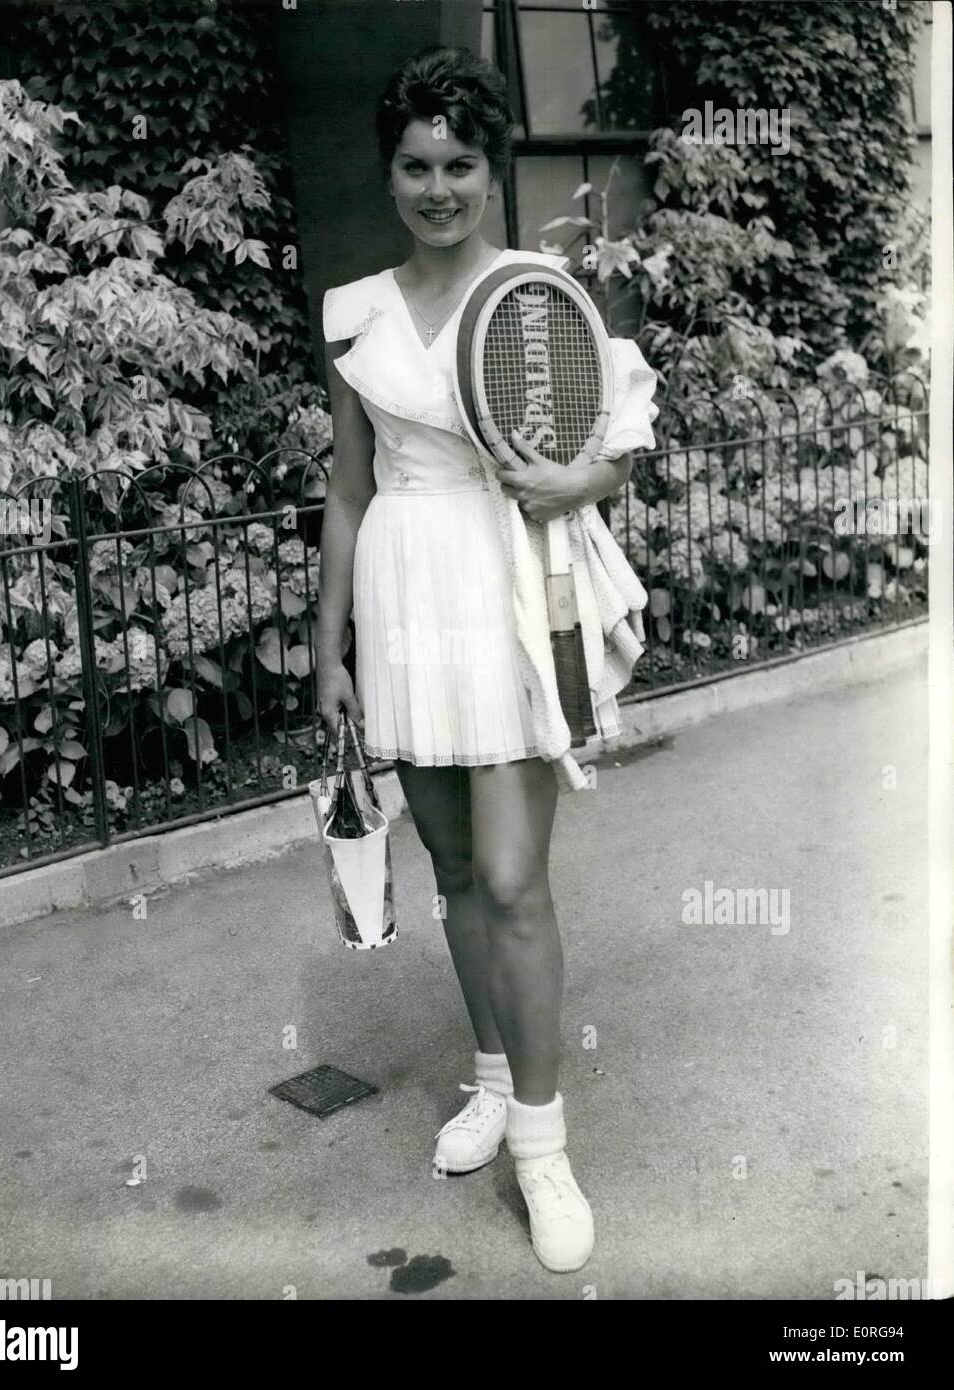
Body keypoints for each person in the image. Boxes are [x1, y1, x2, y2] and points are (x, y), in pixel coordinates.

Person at [314, 45, 654, 1274]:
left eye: (460, 162)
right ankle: (499, 1082)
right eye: (415, 164)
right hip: (407, 596)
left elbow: (612, 445)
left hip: (509, 589)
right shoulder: (353, 312)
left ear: (490, 168)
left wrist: (577, 477)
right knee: (457, 868)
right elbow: (348, 495)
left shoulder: (536, 292)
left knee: (514, 877)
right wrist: (328, 646)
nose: (438, 185)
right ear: (389, 170)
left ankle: (545, 1149)